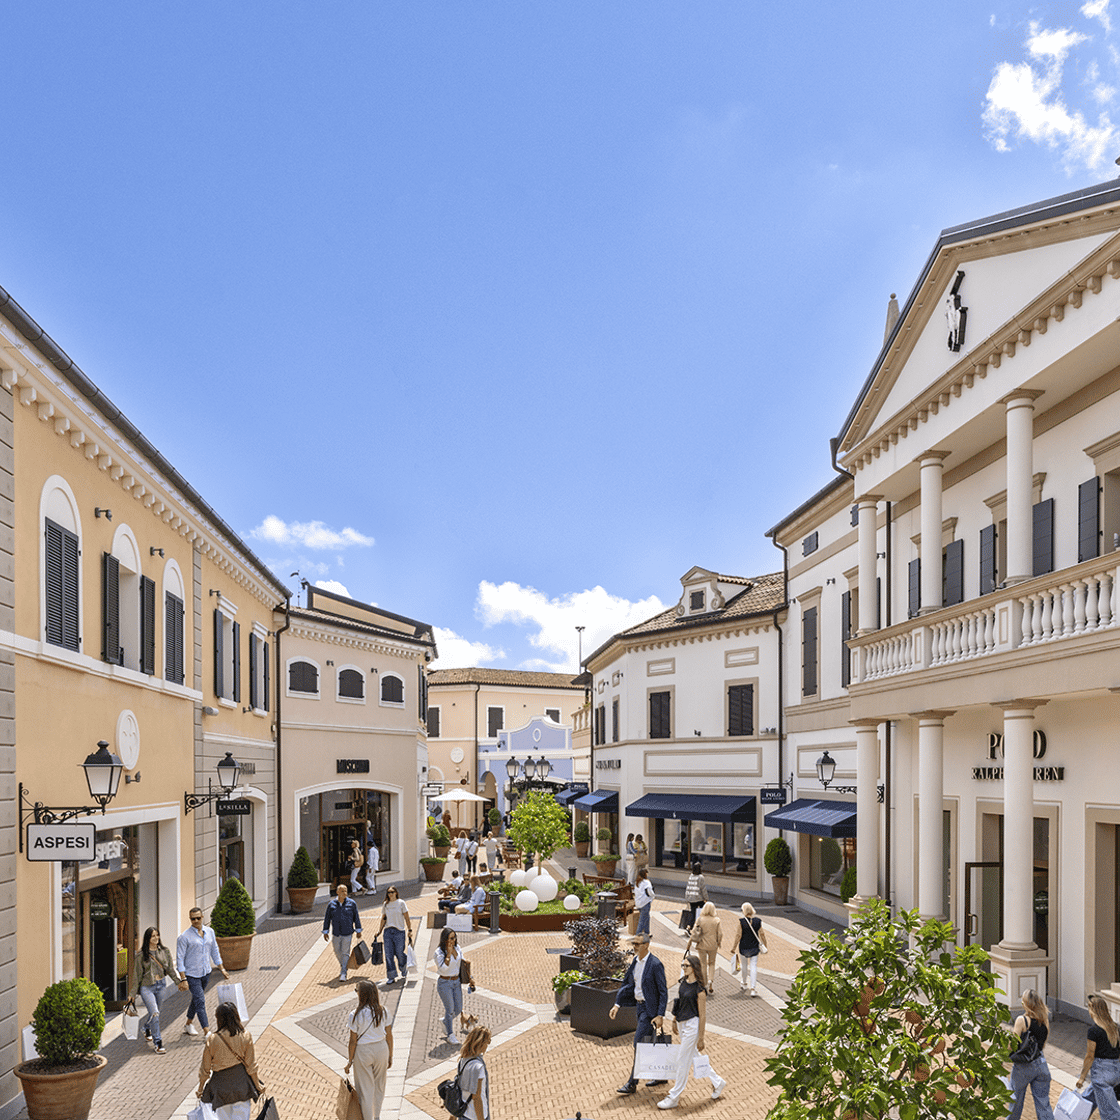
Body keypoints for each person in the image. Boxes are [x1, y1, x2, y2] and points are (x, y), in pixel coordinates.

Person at [657, 954, 725, 1109]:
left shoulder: (700, 990)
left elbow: (702, 1016)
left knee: (682, 1060)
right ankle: (718, 1082)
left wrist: (701, 1038)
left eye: (686, 966)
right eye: (683, 965)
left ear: (694, 967)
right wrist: (674, 1020)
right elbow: (678, 1002)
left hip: (692, 1026)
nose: (683, 968)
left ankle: (674, 1096)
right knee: (693, 1056)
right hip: (681, 1023)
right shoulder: (683, 982)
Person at [609, 932, 669, 1095]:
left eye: (637, 944)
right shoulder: (635, 962)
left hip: (650, 1013)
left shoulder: (655, 964)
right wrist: (617, 1004)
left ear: (646, 945)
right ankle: (661, 1076)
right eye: (633, 944)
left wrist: (660, 1015)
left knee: (639, 1044)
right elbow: (627, 984)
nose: (634, 947)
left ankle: (632, 1083)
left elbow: (663, 991)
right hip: (639, 1008)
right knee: (648, 1043)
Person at [197, 1001, 263, 1120]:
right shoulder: (245, 1035)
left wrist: (200, 1089)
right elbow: (251, 1066)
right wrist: (257, 1085)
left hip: (221, 1089)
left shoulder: (212, 1039)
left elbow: (204, 1070)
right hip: (242, 1086)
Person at [132, 926, 186, 1053]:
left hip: (161, 986)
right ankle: (158, 1043)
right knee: (155, 1013)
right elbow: (136, 975)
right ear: (148, 938)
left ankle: (146, 1028)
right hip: (147, 988)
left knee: (155, 1014)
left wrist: (178, 982)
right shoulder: (141, 955)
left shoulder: (165, 951)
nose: (156, 938)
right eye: (153, 936)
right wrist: (132, 994)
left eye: (157, 935)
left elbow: (170, 970)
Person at [177, 906, 229, 1037]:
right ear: (190, 919)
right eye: (193, 919)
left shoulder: (210, 932)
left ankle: (188, 1024)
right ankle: (207, 1032)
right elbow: (179, 959)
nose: (196, 921)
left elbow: (215, 951)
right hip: (192, 975)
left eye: (198, 918)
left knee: (196, 999)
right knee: (200, 1001)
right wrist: (183, 978)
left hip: (206, 973)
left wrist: (221, 968)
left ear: (202, 917)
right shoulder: (184, 937)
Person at [345, 979, 393, 1120]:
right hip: (381, 1049)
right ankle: (377, 1116)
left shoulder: (355, 1015)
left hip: (363, 1051)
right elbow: (389, 1035)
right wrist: (390, 1055)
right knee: (379, 1086)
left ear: (362, 995)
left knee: (365, 1090)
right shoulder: (383, 1011)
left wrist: (350, 1060)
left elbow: (352, 1041)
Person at [1005, 988, 1055, 1120]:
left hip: (1023, 1066)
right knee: (1044, 1104)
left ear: (1025, 1004)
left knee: (1015, 1102)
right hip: (1041, 1064)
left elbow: (1013, 1045)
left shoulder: (1022, 1020)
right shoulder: (1044, 1019)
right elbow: (1042, 1044)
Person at [1075, 993, 1120, 1119]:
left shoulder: (1094, 1031)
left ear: (1092, 1009)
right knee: (1087, 1099)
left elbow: (1090, 1056)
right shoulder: (1115, 1028)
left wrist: (1082, 1077)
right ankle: (1074, 1116)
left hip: (1101, 1073)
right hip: (1116, 1071)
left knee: (1111, 1114)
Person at [322, 883, 363, 983]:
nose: (344, 893)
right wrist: (325, 931)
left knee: (345, 952)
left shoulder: (352, 903)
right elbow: (327, 918)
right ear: (337, 892)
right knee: (337, 951)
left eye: (345, 891)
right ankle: (344, 965)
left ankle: (343, 972)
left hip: (348, 932)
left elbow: (356, 918)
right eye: (342, 891)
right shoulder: (331, 904)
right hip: (336, 932)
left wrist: (358, 930)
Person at [375, 885, 414, 985]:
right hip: (388, 931)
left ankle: (403, 967)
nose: (390, 894)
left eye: (392, 892)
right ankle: (391, 976)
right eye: (388, 892)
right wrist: (379, 931)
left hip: (399, 931)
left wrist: (410, 929)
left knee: (399, 953)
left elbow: (406, 917)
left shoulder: (401, 903)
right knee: (388, 955)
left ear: (396, 893)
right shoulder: (385, 904)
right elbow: (383, 918)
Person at [434, 927, 466, 1044]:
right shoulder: (438, 953)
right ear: (445, 940)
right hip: (445, 983)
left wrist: (470, 978)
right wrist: (448, 954)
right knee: (450, 1009)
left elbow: (461, 962)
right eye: (451, 938)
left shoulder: (457, 948)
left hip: (456, 982)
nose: (454, 940)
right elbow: (443, 969)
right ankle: (450, 1034)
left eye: (454, 937)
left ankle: (445, 1021)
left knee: (458, 1009)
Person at [457, 1024, 492, 1120]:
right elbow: (476, 1097)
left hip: (463, 1112)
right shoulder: (478, 1067)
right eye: (488, 1042)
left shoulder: (463, 1060)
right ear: (481, 1043)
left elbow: (458, 1088)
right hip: (475, 1116)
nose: (488, 1045)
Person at [689, 902, 723, 994]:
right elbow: (720, 934)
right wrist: (718, 942)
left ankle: (704, 984)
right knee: (712, 963)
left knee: (703, 964)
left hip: (702, 945)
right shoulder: (716, 920)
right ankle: (711, 981)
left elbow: (694, 931)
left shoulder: (700, 919)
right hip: (713, 945)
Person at [737, 901, 769, 997]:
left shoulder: (741, 922)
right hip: (754, 947)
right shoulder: (757, 921)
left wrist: (733, 946)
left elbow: (738, 935)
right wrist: (765, 945)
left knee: (744, 965)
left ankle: (743, 982)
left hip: (743, 947)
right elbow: (762, 934)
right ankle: (753, 988)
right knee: (753, 966)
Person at [682, 861, 708, 933]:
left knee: (693, 913)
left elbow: (688, 887)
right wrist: (706, 898)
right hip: (698, 898)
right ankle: (698, 927)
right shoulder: (700, 877)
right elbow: (703, 889)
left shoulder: (691, 876)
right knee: (703, 912)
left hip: (691, 898)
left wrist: (687, 897)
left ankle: (689, 927)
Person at [634, 869, 655, 936]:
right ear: (645, 875)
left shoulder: (637, 882)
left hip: (638, 904)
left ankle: (647, 932)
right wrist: (653, 896)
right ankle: (637, 935)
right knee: (642, 920)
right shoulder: (646, 882)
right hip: (645, 903)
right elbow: (650, 892)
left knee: (646, 917)